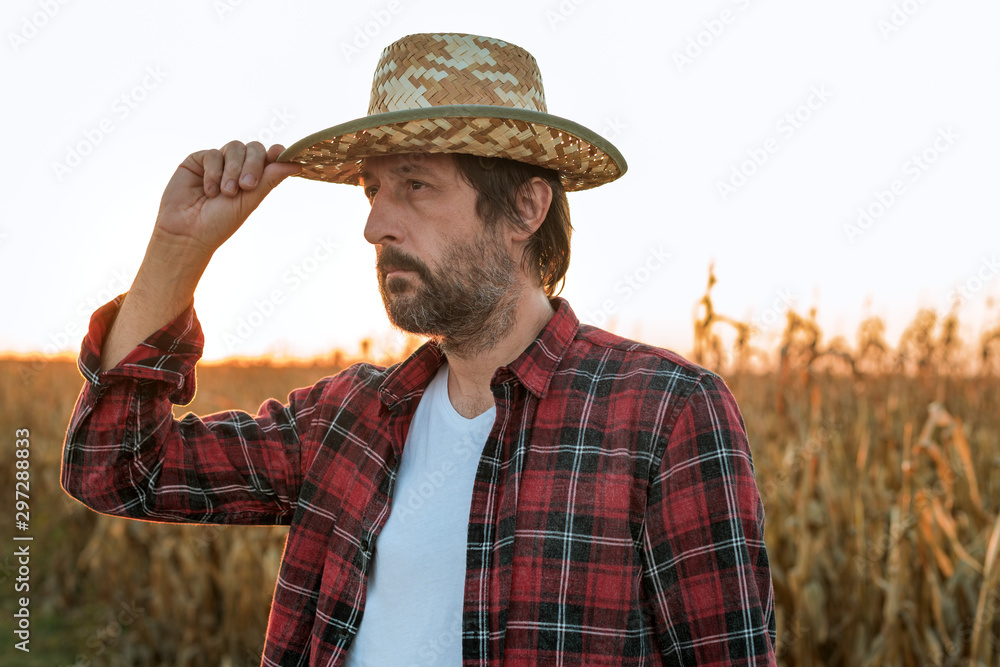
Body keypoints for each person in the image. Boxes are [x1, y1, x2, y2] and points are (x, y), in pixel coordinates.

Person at [62, 32, 777, 665]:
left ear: (526, 207)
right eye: (372, 189)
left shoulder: (664, 414)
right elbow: (118, 468)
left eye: (415, 185)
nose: (375, 225)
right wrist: (177, 250)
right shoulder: (349, 421)